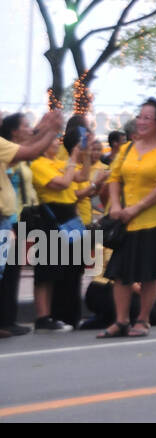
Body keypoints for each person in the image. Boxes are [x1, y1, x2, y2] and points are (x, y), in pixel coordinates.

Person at [100, 99, 156, 338]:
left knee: (148, 273)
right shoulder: (126, 150)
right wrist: (115, 204)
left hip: (155, 220)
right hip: (125, 221)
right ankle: (121, 320)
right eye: (140, 116)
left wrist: (137, 208)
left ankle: (143, 320)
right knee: (119, 272)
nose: (141, 122)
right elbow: (113, 178)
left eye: (147, 118)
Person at [1, 111, 64, 336]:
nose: (30, 128)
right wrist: (52, 130)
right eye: (25, 125)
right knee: (7, 271)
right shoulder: (7, 150)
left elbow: (29, 144)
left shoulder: (10, 149)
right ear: (14, 131)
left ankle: (7, 320)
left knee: (11, 271)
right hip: (12, 219)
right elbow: (31, 149)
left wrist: (44, 128)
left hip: (17, 219)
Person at [29, 120, 95, 332]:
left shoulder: (57, 162)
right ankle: (44, 316)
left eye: (57, 141)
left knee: (71, 270)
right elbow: (64, 183)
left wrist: (84, 155)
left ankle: (68, 315)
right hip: (52, 219)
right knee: (47, 271)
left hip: (71, 218)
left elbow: (82, 176)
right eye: (51, 142)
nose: (56, 145)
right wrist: (74, 158)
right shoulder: (38, 164)